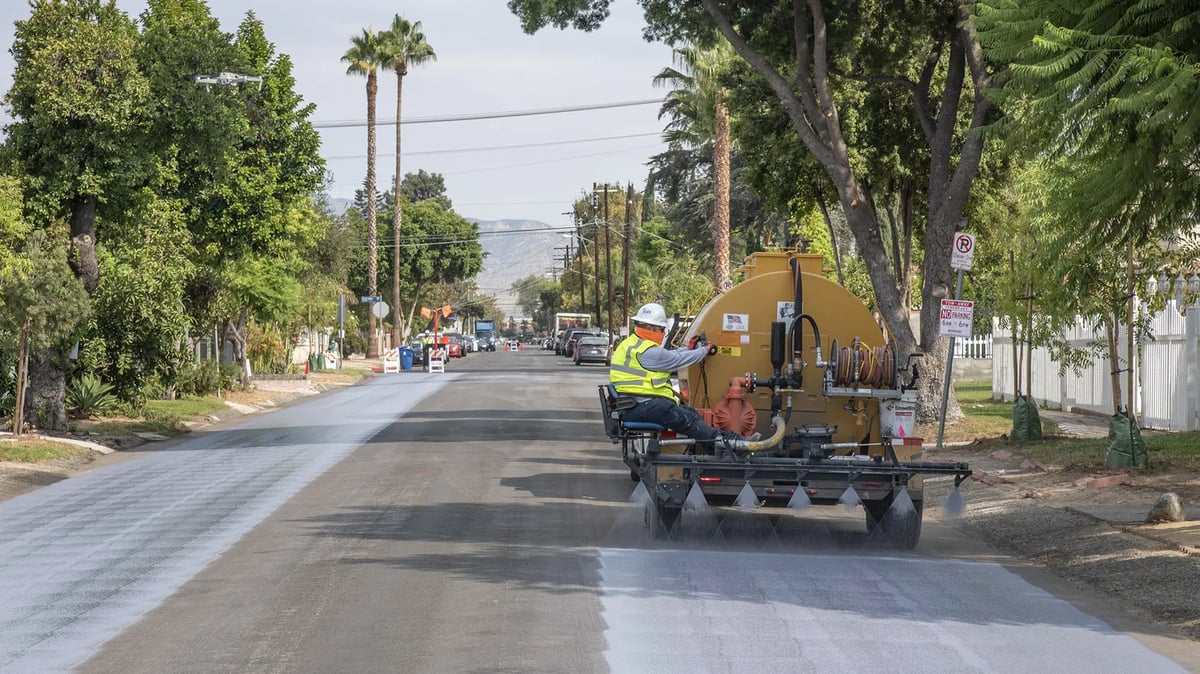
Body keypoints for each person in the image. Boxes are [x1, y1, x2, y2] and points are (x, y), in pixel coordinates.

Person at [610, 302, 760, 453]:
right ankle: (730, 444)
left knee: (691, 414)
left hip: (634, 405)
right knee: (679, 415)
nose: (662, 333)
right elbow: (677, 360)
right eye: (661, 329)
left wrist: (688, 349)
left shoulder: (632, 344)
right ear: (651, 328)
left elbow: (671, 355)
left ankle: (721, 445)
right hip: (638, 406)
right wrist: (704, 350)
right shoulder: (647, 351)